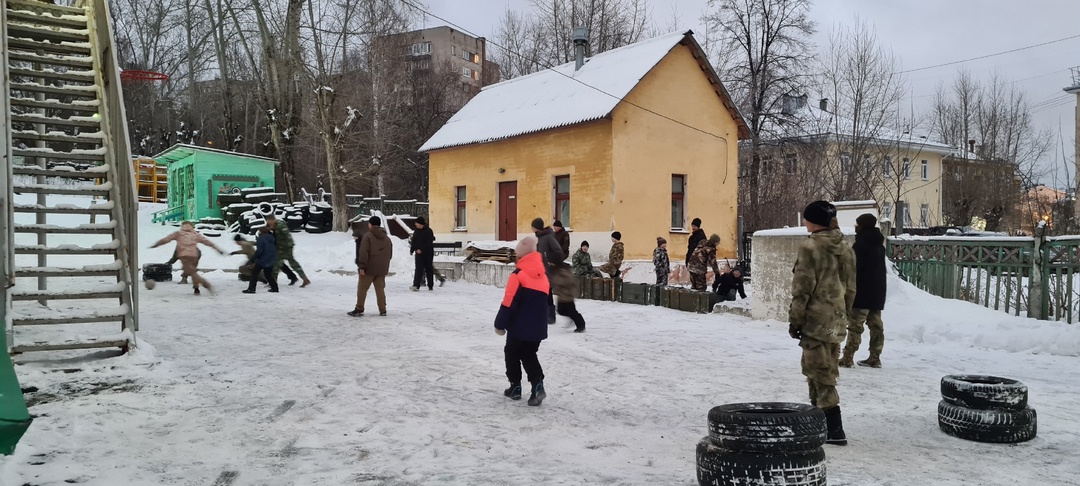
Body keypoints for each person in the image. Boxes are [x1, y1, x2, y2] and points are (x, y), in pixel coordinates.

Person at [788, 200, 855, 446]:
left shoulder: (810, 248)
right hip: (836, 320)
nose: (804, 222)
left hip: (815, 321)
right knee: (822, 370)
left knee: (820, 373)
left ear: (813, 221)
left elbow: (802, 289)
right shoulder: (846, 248)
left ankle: (834, 430)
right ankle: (820, 424)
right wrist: (844, 316)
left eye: (806, 218)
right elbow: (851, 287)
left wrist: (795, 320)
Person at [495, 235, 549, 406]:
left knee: (511, 352)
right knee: (529, 354)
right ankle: (537, 385)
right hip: (538, 327)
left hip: (518, 326)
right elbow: (547, 303)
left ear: (521, 257)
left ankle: (515, 387)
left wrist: (499, 324)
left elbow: (509, 301)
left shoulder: (518, 275)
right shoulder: (543, 277)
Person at [840, 213, 887, 369]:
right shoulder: (879, 243)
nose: (855, 226)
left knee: (855, 325)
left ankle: (848, 357)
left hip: (861, 290)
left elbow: (853, 268)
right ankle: (875, 356)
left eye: (857, 224)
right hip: (877, 291)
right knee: (876, 325)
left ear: (862, 225)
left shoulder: (860, 244)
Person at [150, 221, 225, 295]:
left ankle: (207, 285)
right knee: (193, 272)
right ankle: (196, 288)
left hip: (184, 257)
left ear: (182, 226)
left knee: (192, 273)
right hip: (195, 256)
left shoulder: (178, 233)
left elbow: (166, 239)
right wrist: (218, 249)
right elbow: (208, 242)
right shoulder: (195, 234)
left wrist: (156, 244)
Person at [349, 216, 393, 317]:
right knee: (380, 289)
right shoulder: (387, 238)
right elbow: (389, 254)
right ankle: (383, 309)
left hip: (369, 268)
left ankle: (359, 308)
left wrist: (362, 267)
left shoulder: (367, 236)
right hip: (381, 269)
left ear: (370, 225)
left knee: (362, 289)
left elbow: (363, 253)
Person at [531, 218, 564, 324]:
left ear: (536, 227)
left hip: (548, 270)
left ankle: (551, 316)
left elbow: (558, 250)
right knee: (542, 293)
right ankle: (545, 314)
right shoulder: (540, 237)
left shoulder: (548, 237)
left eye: (532, 226)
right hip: (540, 270)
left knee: (547, 292)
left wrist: (552, 261)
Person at [266, 214, 310, 287]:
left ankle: (273, 282)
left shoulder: (280, 225)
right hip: (283, 247)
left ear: (272, 220)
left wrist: (274, 228)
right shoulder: (277, 224)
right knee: (288, 263)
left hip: (285, 247)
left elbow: (286, 233)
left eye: (269, 221)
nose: (268, 223)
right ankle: (305, 279)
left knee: (278, 263)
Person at [243, 226, 279, 294]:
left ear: (261, 232)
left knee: (254, 273)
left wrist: (254, 258)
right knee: (268, 274)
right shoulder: (272, 238)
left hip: (263, 259)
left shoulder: (261, 239)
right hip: (271, 258)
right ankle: (275, 288)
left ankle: (251, 289)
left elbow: (259, 251)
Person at [410, 217, 436, 291]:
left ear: (420, 224)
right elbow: (414, 241)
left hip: (428, 253)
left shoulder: (428, 231)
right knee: (418, 269)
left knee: (429, 269)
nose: (415, 224)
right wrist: (412, 250)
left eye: (416, 223)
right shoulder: (416, 231)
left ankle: (430, 285)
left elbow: (429, 243)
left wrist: (421, 250)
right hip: (418, 253)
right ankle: (416, 285)